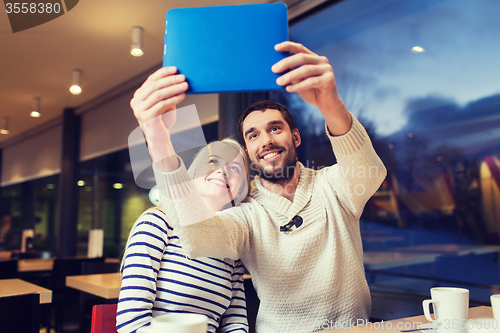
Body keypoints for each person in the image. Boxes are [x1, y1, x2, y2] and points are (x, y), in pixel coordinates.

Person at [132, 41, 387, 332]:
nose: (265, 140)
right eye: (253, 136)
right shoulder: (245, 213)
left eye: (275, 129)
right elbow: (195, 234)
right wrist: (156, 136)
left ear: (296, 136)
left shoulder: (332, 184)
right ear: (248, 151)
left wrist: (330, 104)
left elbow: (368, 172)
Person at [116, 138, 250, 333]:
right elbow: (131, 323)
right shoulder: (157, 223)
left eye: (235, 168)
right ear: (193, 174)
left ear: (240, 190)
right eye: (213, 161)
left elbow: (235, 322)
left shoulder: (232, 247)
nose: (223, 170)